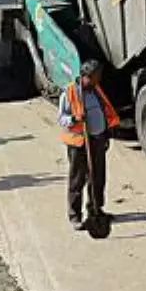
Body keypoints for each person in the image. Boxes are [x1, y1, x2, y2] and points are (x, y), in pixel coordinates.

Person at [57, 60, 120, 231]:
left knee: (98, 177)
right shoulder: (69, 93)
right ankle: (75, 216)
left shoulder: (96, 90)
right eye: (95, 77)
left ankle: (95, 209)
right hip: (79, 143)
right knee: (78, 179)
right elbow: (61, 118)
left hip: (97, 140)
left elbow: (104, 112)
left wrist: (106, 134)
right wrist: (75, 119)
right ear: (85, 76)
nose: (98, 80)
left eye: (99, 76)